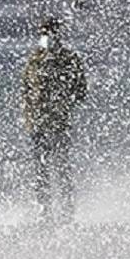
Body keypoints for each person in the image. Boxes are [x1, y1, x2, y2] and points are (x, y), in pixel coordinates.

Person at [21, 17, 88, 222]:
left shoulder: (70, 59)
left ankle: (67, 211)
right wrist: (29, 113)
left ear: (58, 35)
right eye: (43, 33)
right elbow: (25, 90)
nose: (46, 37)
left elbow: (81, 91)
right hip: (37, 122)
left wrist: (63, 101)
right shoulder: (34, 59)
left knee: (61, 167)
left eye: (50, 33)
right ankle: (45, 211)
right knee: (40, 169)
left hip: (59, 122)